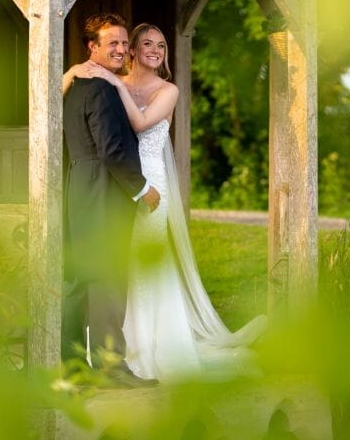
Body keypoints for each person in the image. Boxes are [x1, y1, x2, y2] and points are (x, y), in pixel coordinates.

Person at [64, 23, 266, 383]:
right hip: (117, 186)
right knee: (115, 270)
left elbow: (140, 125)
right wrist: (71, 72)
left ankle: (154, 347)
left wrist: (114, 85)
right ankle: (115, 352)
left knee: (143, 266)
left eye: (161, 45)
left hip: (148, 182)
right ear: (132, 51)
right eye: (145, 44)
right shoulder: (105, 83)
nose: (154, 50)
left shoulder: (162, 90)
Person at [61, 13, 160, 382]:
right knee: (108, 279)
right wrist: (142, 189)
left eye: (123, 42)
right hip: (104, 192)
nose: (120, 49)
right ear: (93, 47)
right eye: (111, 43)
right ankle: (111, 368)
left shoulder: (76, 86)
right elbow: (113, 150)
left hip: (80, 189)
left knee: (79, 278)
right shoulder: (102, 89)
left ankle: (70, 367)